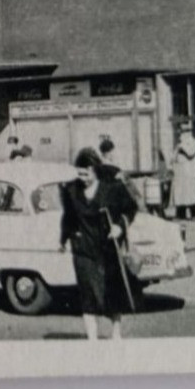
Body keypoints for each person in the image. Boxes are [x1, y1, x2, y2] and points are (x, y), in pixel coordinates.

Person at [60, 146, 139, 341]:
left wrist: (120, 226)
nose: (83, 179)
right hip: (83, 250)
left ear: (95, 170)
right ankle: (92, 341)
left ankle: (116, 333)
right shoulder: (71, 190)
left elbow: (131, 208)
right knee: (87, 296)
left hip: (108, 247)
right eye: (79, 174)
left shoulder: (112, 188)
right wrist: (64, 240)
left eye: (86, 174)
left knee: (112, 293)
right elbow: (68, 217)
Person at [170, 125, 195, 220]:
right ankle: (181, 214)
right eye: (181, 132)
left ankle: (194, 214)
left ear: (189, 132)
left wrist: (181, 146)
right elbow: (173, 158)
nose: (181, 134)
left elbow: (190, 153)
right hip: (180, 173)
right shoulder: (179, 145)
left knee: (191, 194)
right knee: (180, 195)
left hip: (190, 172)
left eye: (183, 132)